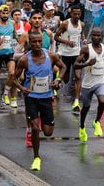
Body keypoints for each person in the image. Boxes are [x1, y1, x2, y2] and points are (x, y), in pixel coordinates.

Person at [13, 32, 66, 171]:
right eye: (33, 42)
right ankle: (36, 157)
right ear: (29, 42)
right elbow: (14, 78)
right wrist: (21, 88)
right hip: (31, 98)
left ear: (42, 41)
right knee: (36, 128)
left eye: (39, 42)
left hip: (46, 98)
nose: (36, 44)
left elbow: (64, 67)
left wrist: (58, 80)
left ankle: (40, 122)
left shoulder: (51, 56)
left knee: (48, 132)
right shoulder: (24, 59)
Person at [74, 27, 104, 143]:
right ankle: (81, 127)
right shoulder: (86, 49)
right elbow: (75, 65)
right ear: (91, 36)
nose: (96, 37)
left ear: (101, 36)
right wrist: (87, 63)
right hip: (87, 84)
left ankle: (97, 121)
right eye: (94, 35)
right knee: (86, 107)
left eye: (98, 35)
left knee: (102, 101)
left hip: (100, 81)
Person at [55, 5, 85, 111]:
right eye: (74, 14)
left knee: (78, 76)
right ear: (71, 13)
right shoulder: (65, 24)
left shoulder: (82, 24)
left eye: (78, 14)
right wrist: (67, 42)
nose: (76, 16)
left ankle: (76, 102)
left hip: (77, 54)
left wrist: (84, 41)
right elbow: (56, 37)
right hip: (65, 53)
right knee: (66, 79)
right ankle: (59, 77)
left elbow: (81, 34)